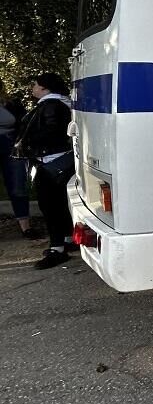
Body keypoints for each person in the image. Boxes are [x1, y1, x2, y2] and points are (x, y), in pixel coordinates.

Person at [15, 73, 75, 269]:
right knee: (60, 204)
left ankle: (56, 248)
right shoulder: (61, 103)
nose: (33, 87)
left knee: (50, 206)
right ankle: (66, 239)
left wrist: (27, 143)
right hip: (61, 160)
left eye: (35, 84)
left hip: (51, 162)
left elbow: (52, 132)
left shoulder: (50, 106)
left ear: (45, 88)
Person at [1, 81, 37, 239]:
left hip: (10, 146)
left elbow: (25, 123)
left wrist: (21, 142)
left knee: (17, 185)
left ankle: (26, 227)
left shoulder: (12, 103)